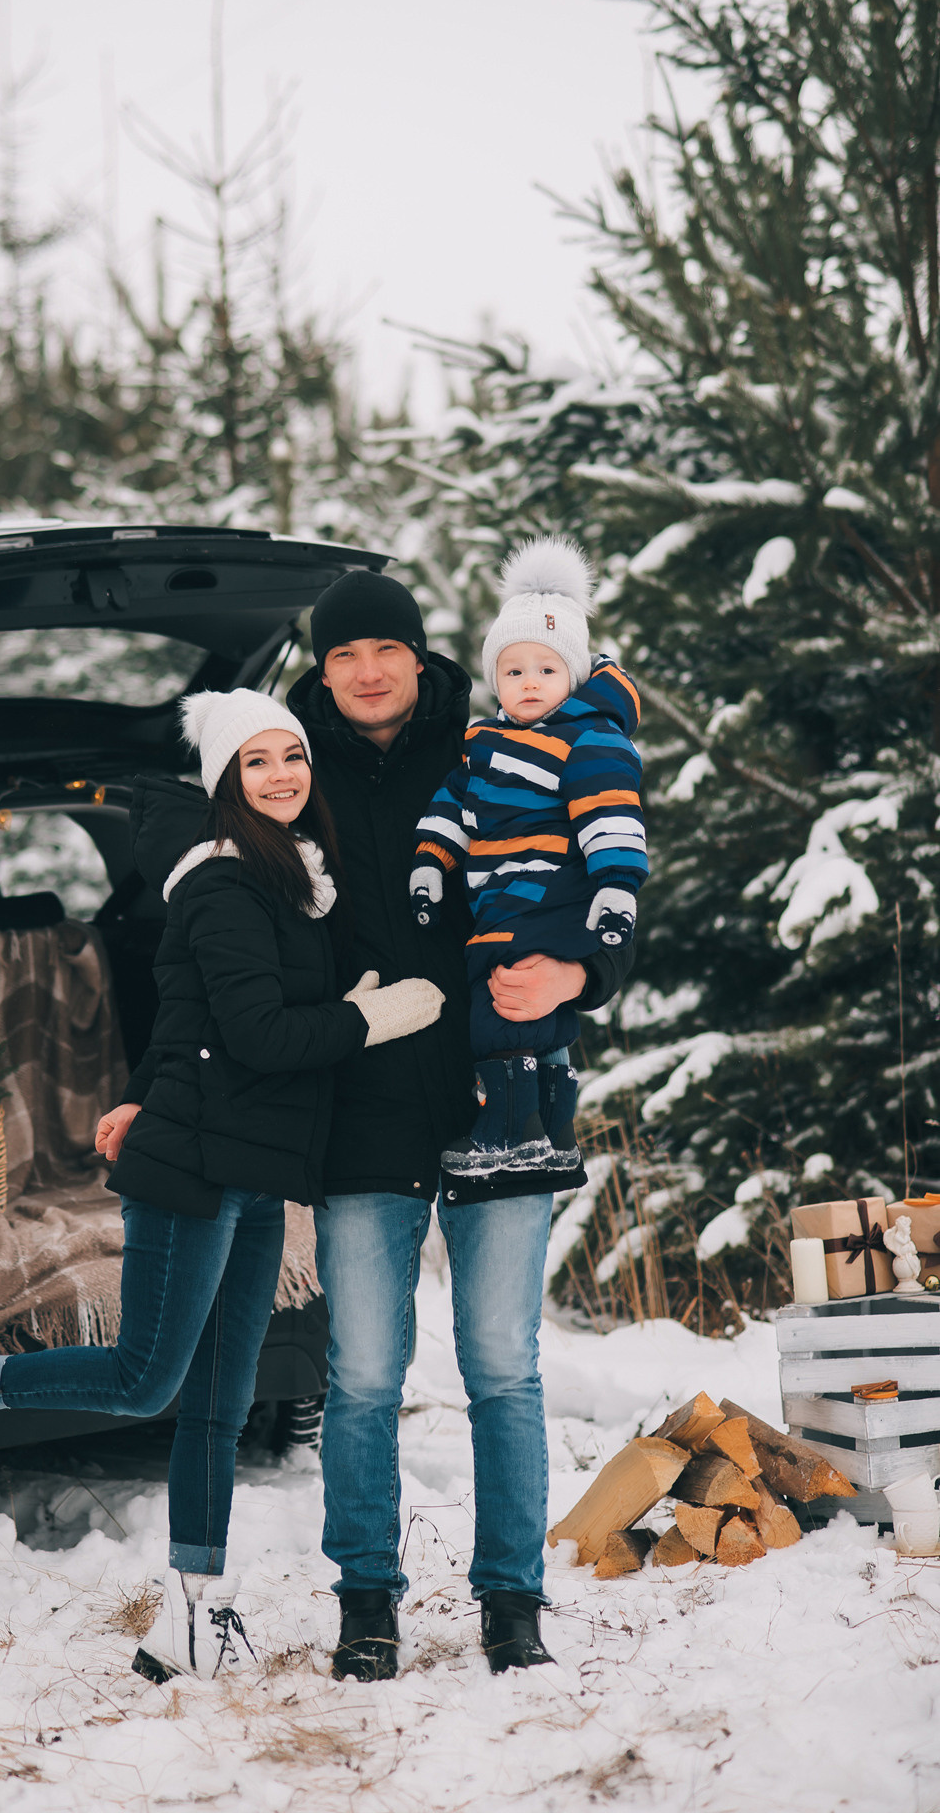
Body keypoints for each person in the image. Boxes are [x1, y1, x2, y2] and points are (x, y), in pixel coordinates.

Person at [0, 687, 442, 1681]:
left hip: (255, 1169)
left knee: (220, 1401)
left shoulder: (294, 878)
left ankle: (194, 1614)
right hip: (197, 1165)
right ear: (225, 781)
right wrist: (365, 1020)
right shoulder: (225, 882)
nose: (281, 775)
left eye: (292, 756)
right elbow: (257, 1035)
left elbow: (184, 1011)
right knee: (146, 1377)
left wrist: (142, 1089)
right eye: (256, 761)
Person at [283, 564, 635, 1681]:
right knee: (363, 1374)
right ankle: (366, 1602)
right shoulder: (290, 772)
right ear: (321, 669)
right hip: (361, 1102)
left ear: (421, 654)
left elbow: (604, 858)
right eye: (343, 654)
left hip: (503, 1084)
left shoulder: (494, 739)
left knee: (499, 1364)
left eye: (384, 648)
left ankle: (511, 1600)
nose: (366, 671)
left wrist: (580, 972)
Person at [409, 536, 647, 1196]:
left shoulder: (588, 739)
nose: (529, 683)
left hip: (549, 897)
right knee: (535, 1021)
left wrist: (616, 887)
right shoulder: (483, 743)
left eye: (546, 668)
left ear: (574, 676)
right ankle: (551, 1133)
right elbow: (452, 805)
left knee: (500, 1008)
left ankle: (508, 1130)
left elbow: (611, 815)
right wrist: (430, 863)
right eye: (513, 672)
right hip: (507, 900)